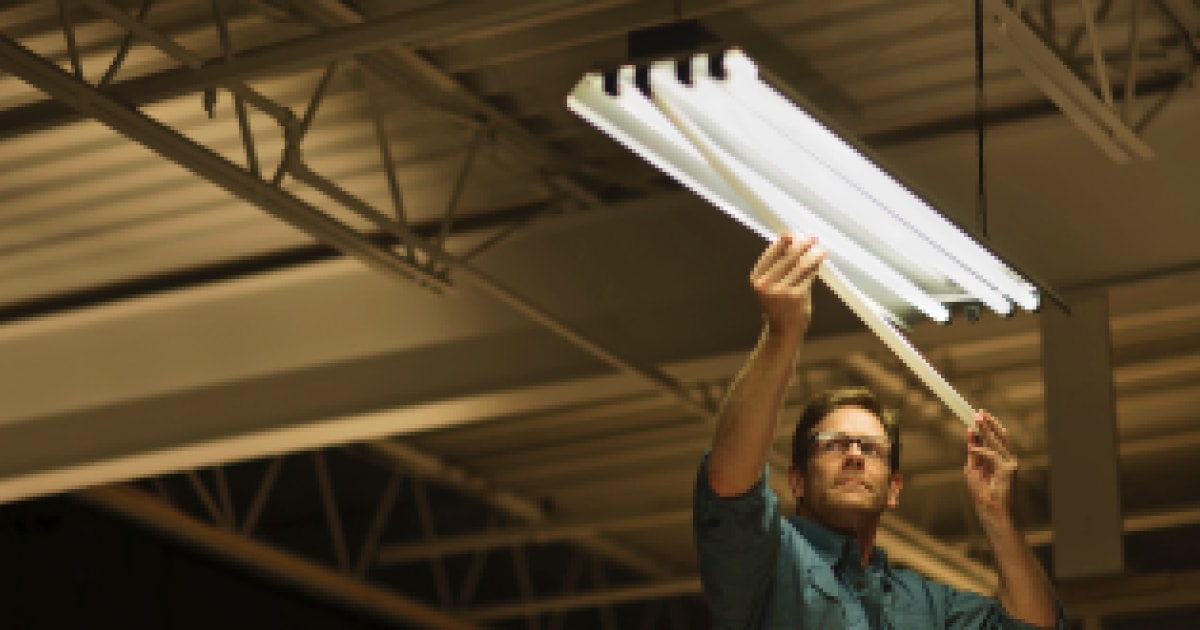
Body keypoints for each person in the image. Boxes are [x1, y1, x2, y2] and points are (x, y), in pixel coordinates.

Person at [694, 234, 1064, 629]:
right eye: (832, 444)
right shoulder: (770, 564)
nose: (853, 454)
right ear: (797, 480)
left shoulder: (927, 607)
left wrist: (997, 515)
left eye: (871, 449)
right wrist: (782, 333)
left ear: (894, 488)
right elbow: (729, 487)